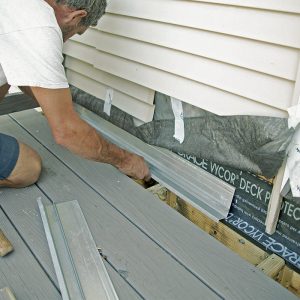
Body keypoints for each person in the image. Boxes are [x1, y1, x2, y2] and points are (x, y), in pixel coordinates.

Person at [0, 0, 150, 188]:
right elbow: (67, 133)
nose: (66, 39)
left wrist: (56, 108)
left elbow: (24, 74)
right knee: (28, 168)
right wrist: (125, 160)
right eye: (76, 32)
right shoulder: (39, 27)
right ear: (76, 16)